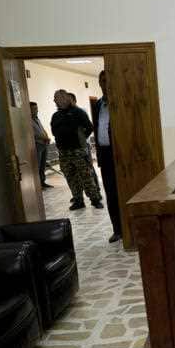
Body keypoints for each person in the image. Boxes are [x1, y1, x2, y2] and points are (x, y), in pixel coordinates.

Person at [51, 89, 103, 210]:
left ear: (65, 98)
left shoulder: (78, 112)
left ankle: (95, 199)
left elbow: (89, 127)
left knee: (86, 176)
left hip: (78, 151)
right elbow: (54, 131)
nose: (54, 101)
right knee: (71, 177)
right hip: (64, 152)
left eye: (56, 98)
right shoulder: (56, 115)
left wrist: (81, 138)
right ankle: (78, 200)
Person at [94, 71, 122, 243]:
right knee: (111, 194)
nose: (105, 84)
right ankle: (117, 230)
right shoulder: (98, 105)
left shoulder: (120, 102)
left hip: (120, 154)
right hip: (105, 155)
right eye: (102, 81)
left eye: (108, 80)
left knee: (124, 192)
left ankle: (129, 227)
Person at [68, 92, 101, 198]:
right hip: (71, 148)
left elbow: (89, 127)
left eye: (67, 100)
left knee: (88, 169)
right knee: (75, 172)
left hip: (82, 146)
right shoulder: (65, 113)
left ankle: (96, 191)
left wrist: (82, 139)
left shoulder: (80, 111)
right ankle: (77, 196)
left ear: (73, 100)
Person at [30, 102, 53, 189]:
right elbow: (33, 134)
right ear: (29, 110)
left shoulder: (37, 119)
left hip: (44, 144)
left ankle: (43, 182)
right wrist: (44, 137)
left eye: (36, 108)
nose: (36, 110)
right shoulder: (28, 120)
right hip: (37, 145)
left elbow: (42, 129)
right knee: (38, 166)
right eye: (34, 109)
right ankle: (38, 185)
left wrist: (46, 136)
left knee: (43, 165)